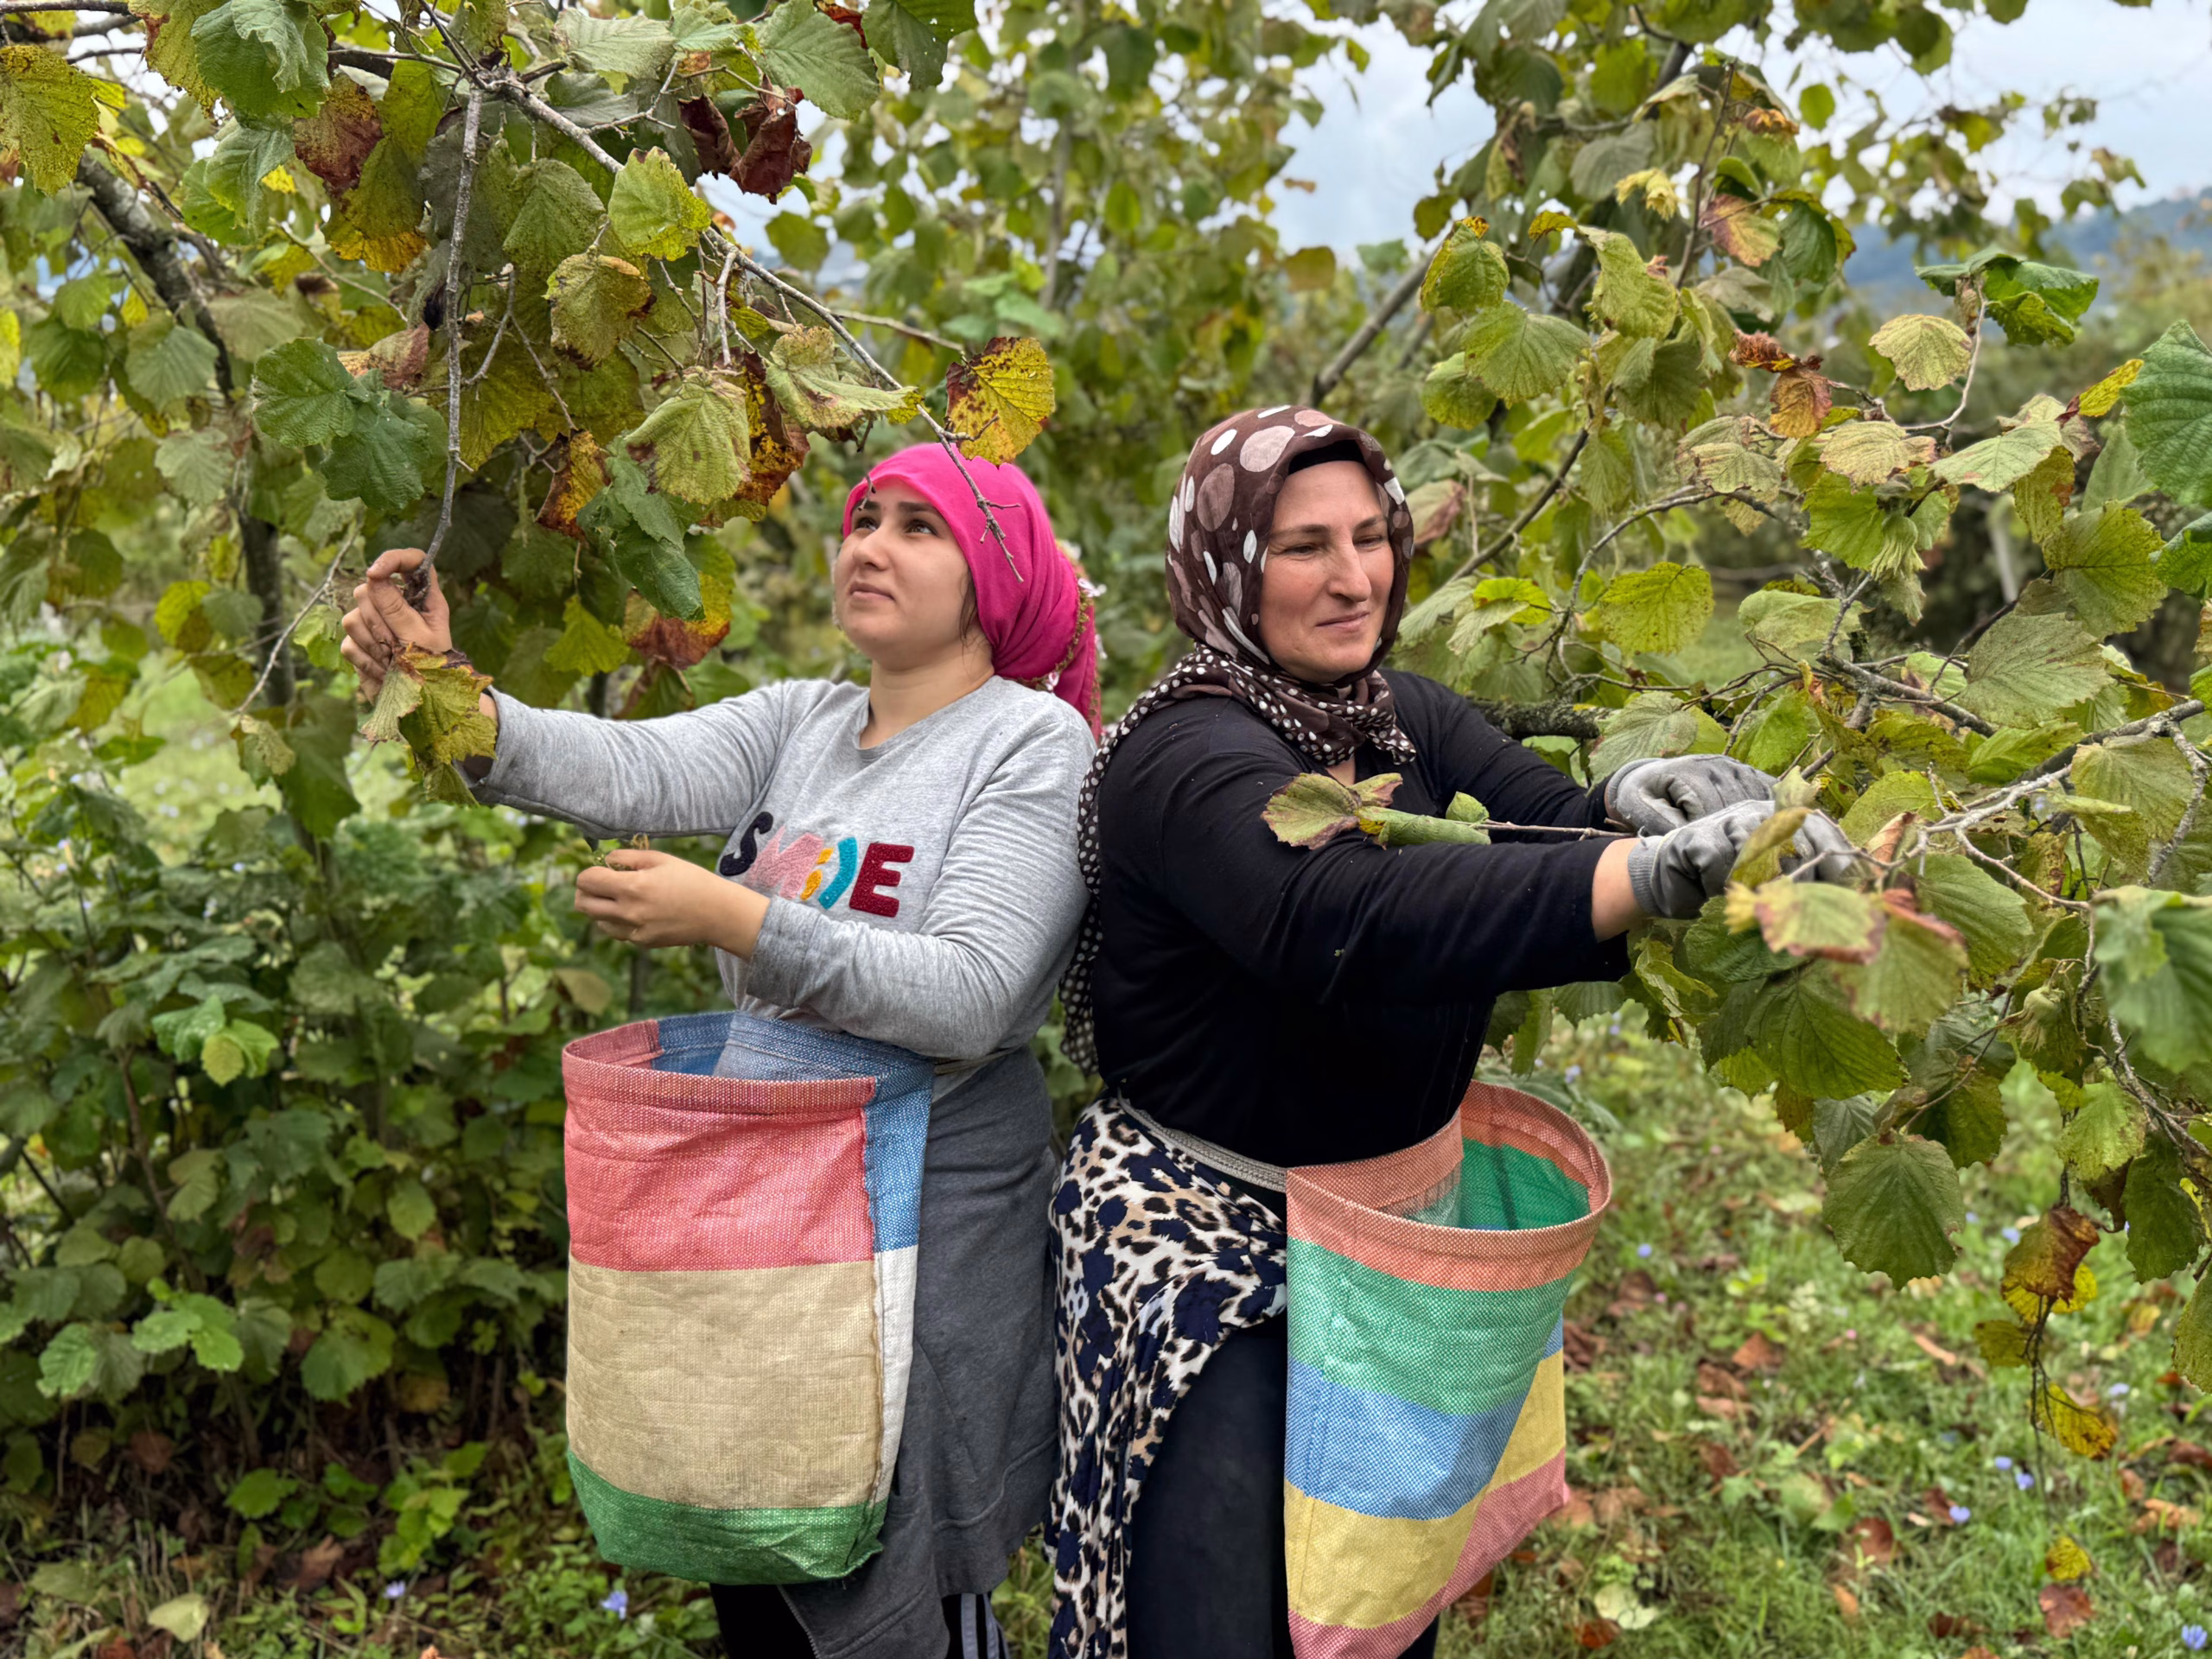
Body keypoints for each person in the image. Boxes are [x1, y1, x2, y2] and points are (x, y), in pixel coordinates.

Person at [1045, 406, 1849, 1659]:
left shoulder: (1403, 715)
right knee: (1220, 1624)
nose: (1355, 575)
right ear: (1227, 562)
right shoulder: (1184, 755)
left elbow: (1544, 826)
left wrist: (1636, 800)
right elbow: (1340, 914)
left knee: (1370, 1611)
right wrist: (1648, 874)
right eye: (1304, 545)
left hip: (1390, 1248)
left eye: (1372, 536)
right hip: (1204, 1257)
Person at [340, 444, 1099, 1659]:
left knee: (892, 1573)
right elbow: (617, 765)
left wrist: (738, 918)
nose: (871, 546)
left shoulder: (1030, 745)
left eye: (921, 528)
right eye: (865, 520)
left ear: (997, 579)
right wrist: (449, 685)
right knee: (758, 1538)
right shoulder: (800, 722)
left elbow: (969, 996)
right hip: (769, 1228)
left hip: (925, 1237)